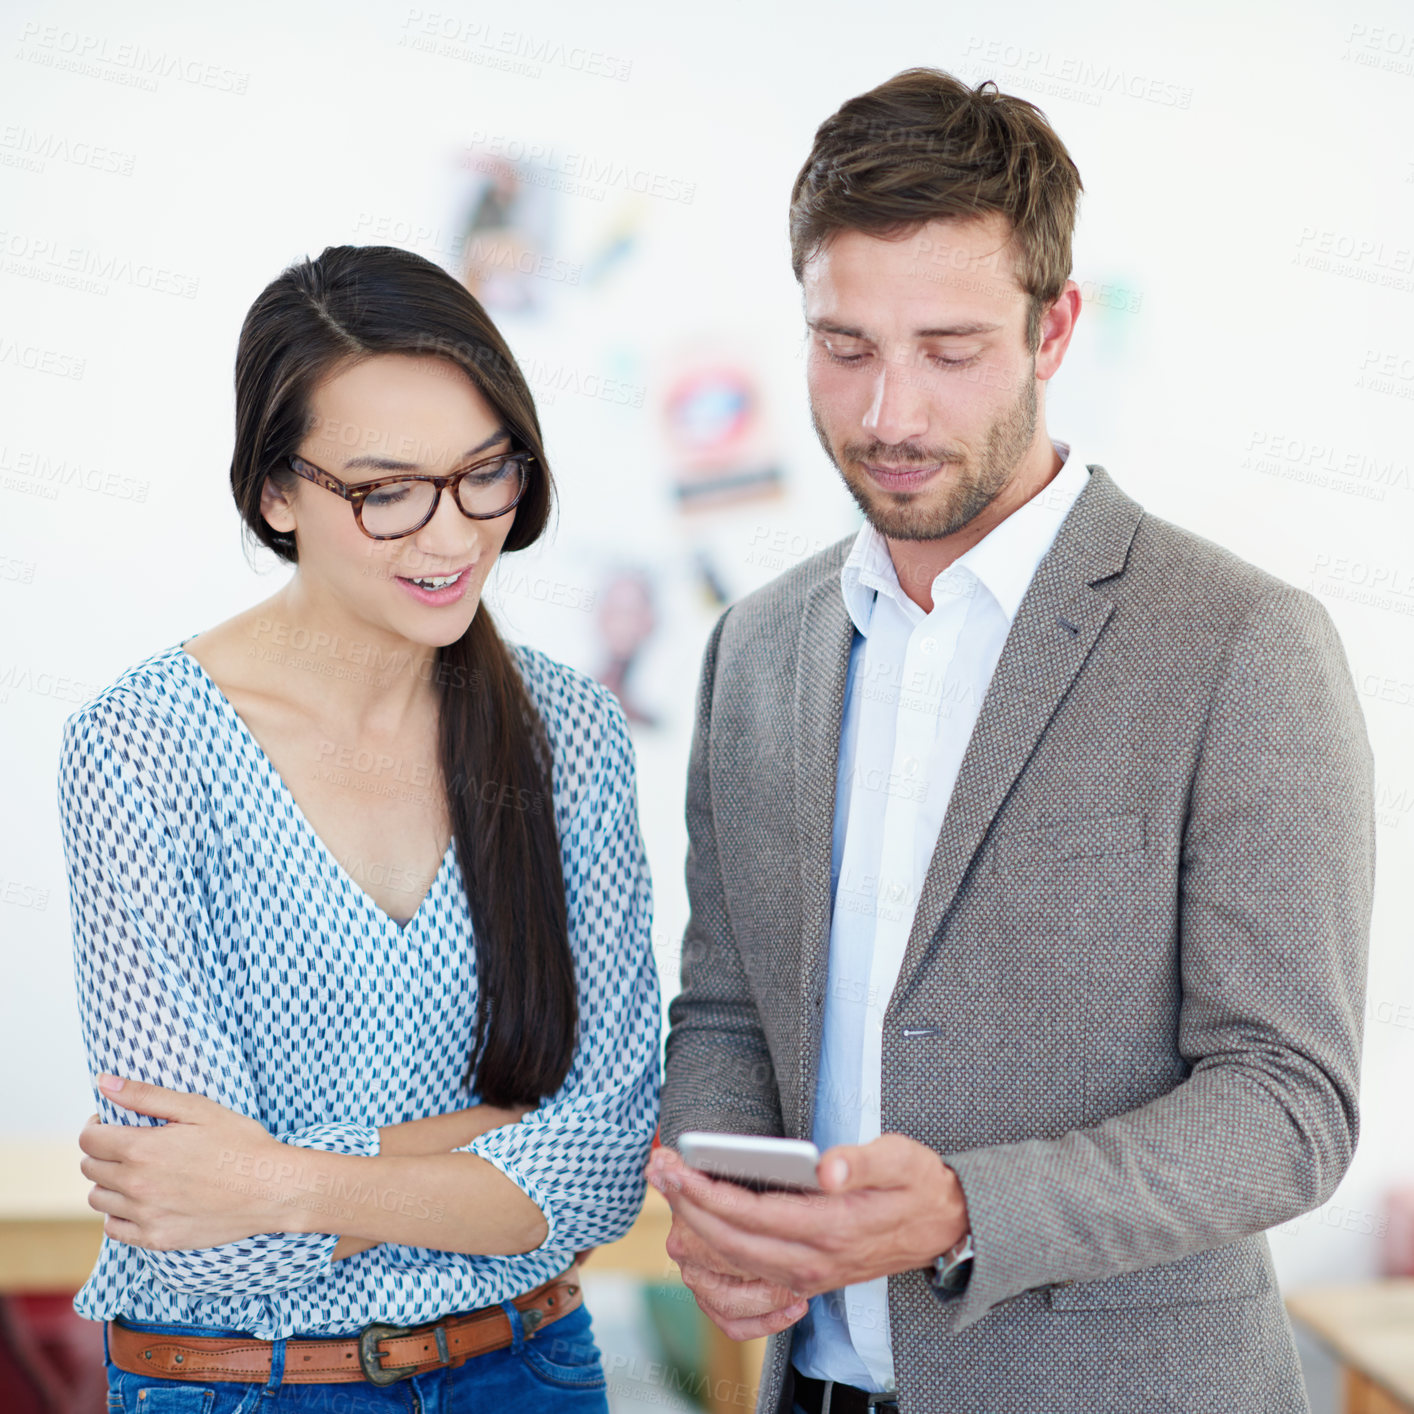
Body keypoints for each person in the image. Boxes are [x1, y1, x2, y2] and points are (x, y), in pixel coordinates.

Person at [649, 67, 1375, 1414]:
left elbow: (1287, 1105)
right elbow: (726, 1005)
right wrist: (718, 1205)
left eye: (950, 348)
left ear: (1052, 331)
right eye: (846, 346)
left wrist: (964, 1206)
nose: (890, 416)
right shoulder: (755, 646)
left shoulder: (1239, 645)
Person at [57, 244, 661, 1411]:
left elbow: (597, 1171)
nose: (451, 536)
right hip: (247, 1385)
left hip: (530, 1368)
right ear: (276, 493)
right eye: (386, 492)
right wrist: (488, 1154)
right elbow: (193, 1222)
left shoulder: (566, 733)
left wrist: (277, 1175)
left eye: (487, 473)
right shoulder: (142, 748)